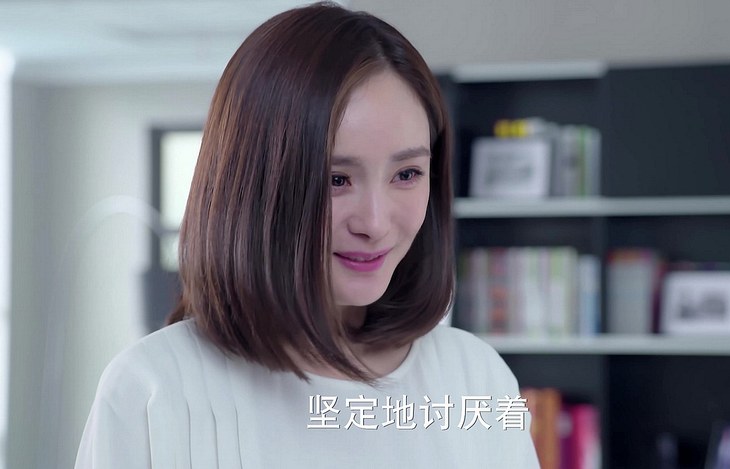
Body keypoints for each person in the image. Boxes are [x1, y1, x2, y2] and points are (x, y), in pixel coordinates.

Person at [75, 2, 538, 467]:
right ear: (251, 185)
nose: (374, 223)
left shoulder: (474, 378)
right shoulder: (154, 389)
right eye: (336, 180)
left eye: (407, 174)